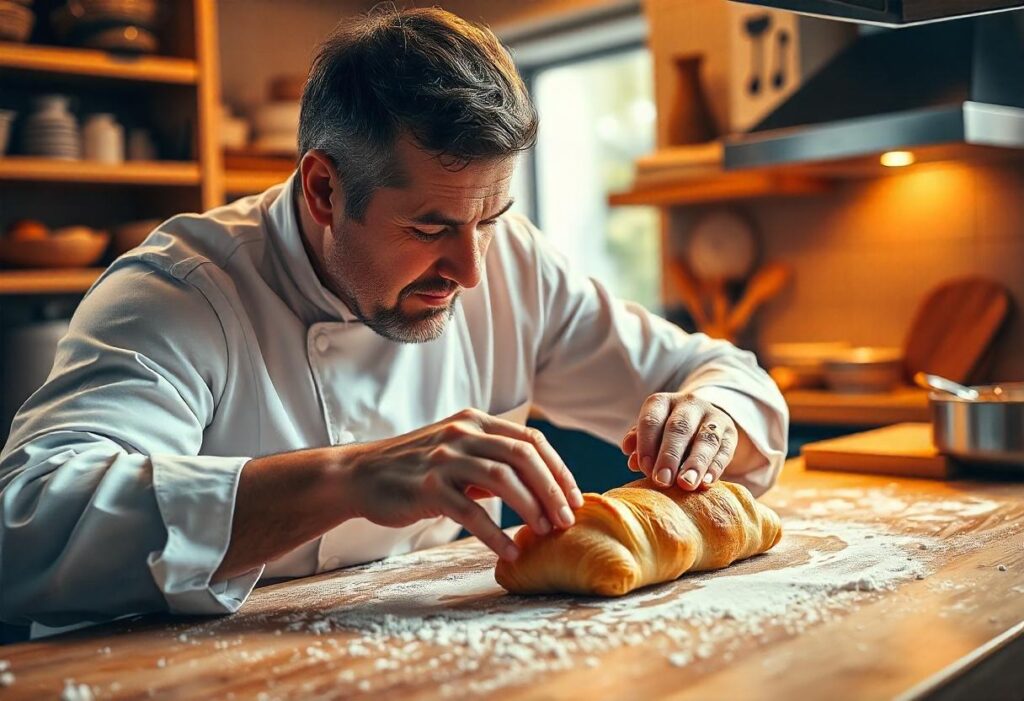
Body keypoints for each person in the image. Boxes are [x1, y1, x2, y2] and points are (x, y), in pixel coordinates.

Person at [0, 7, 787, 637]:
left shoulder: (507, 260)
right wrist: (347, 476)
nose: (471, 269)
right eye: (430, 228)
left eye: (494, 216)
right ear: (322, 191)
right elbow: (27, 522)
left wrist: (707, 417)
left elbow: (724, 376)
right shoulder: (181, 291)